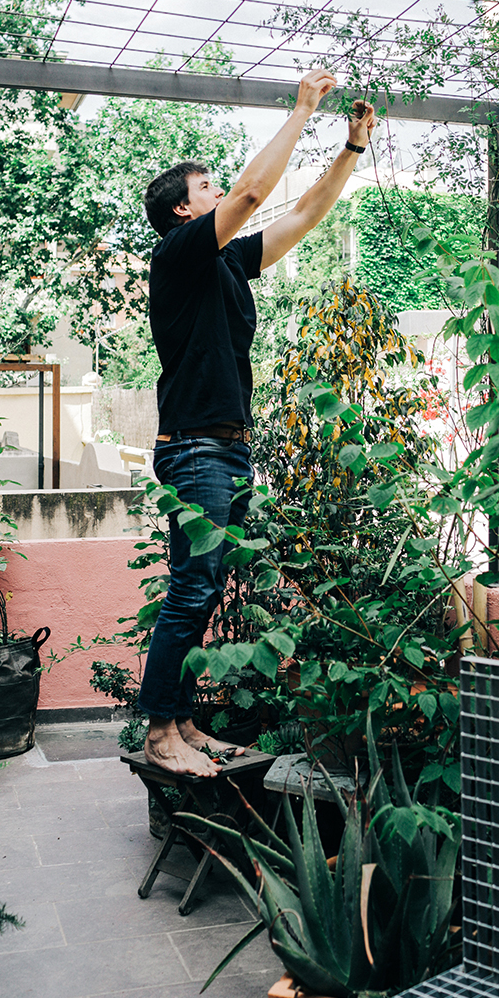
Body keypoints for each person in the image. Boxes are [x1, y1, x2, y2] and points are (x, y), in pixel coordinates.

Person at [138, 68, 377, 776]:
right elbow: (253, 192)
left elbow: (302, 212)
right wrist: (303, 109)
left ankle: (182, 720)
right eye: (204, 189)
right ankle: (159, 733)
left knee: (202, 586)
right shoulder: (178, 255)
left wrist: (351, 150)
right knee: (192, 588)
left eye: (214, 185)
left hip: (226, 449)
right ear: (183, 212)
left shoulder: (228, 263)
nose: (219, 192)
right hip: (196, 448)